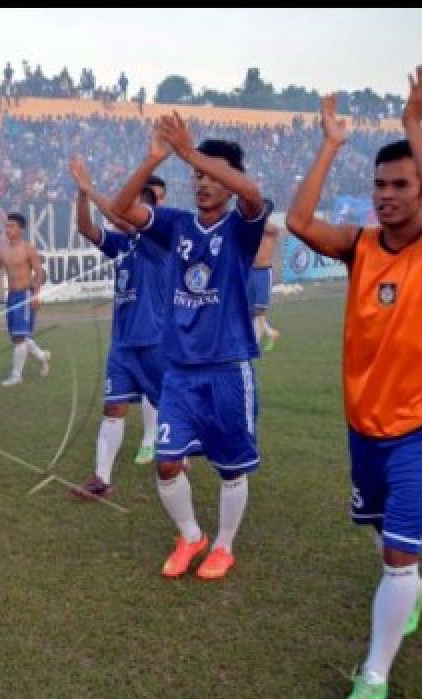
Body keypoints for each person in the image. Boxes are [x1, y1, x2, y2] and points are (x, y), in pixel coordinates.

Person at [285, 68, 422, 699]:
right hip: (365, 426)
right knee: (380, 534)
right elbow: (300, 221)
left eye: (400, 185)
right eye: (381, 185)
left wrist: (413, 127)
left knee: (395, 554)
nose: (388, 195)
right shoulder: (360, 247)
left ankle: (373, 675)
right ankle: (410, 587)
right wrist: (331, 143)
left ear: (419, 190)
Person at [113, 113, 271, 581]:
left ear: (230, 179)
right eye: (197, 174)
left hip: (227, 367)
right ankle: (190, 536)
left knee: (230, 467)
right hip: (179, 370)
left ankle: (223, 546)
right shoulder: (177, 224)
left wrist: (188, 151)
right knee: (166, 463)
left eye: (210, 173)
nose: (201, 181)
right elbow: (124, 208)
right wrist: (155, 158)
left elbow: (253, 195)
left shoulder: (242, 227)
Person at [69, 157, 168, 500]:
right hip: (123, 343)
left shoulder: (159, 243)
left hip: (155, 341)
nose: (129, 212)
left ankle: (180, 458)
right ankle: (101, 479)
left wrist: (90, 188)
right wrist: (82, 197)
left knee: (169, 406)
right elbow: (87, 229)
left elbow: (115, 215)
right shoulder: (123, 245)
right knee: (113, 408)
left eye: (136, 207)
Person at [0, 213, 50, 386]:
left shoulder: (28, 248)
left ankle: (17, 375)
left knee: (19, 336)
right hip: (11, 297)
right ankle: (42, 356)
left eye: (11, 226)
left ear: (20, 229)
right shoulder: (2, 249)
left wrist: (35, 295)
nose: (7, 229)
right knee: (17, 336)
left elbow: (39, 272)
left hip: (25, 295)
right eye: (6, 226)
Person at [249, 221, 281, 350]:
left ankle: (253, 344)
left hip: (263, 271)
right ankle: (271, 333)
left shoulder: (271, 228)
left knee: (260, 310)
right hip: (249, 271)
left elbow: (268, 228)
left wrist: (257, 219)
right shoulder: (252, 227)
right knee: (250, 311)